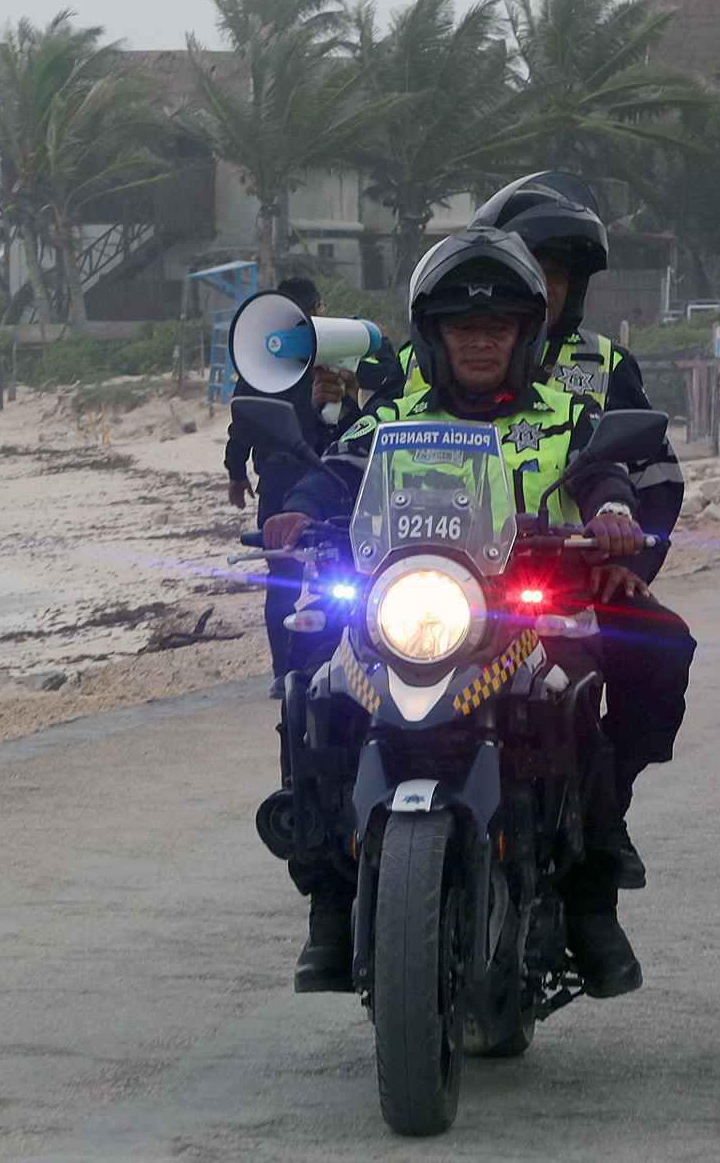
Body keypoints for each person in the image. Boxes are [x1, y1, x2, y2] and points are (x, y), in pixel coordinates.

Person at [263, 226, 691, 998]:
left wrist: (617, 511)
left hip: (530, 610)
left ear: (527, 334)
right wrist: (299, 509)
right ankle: (328, 897)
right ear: (435, 335)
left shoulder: (569, 411)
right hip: (411, 606)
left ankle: (592, 889)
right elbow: (339, 470)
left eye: (498, 327)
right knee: (315, 687)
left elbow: (603, 474)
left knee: (579, 703)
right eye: (464, 326)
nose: (482, 341)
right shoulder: (398, 411)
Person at [384, 172, 694, 884]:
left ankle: (601, 808)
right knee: (319, 656)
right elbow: (355, 451)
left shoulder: (601, 368)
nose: (541, 288)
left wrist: (627, 553)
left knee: (656, 643)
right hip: (429, 581)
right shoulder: (410, 372)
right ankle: (327, 856)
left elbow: (648, 474)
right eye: (532, 268)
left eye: (557, 276)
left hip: (559, 578)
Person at [224, 277, 406, 698]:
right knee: (316, 575)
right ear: (319, 309)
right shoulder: (265, 353)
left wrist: (236, 472)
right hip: (308, 479)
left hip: (325, 476)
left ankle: (308, 665)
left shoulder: (278, 351)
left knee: (300, 581)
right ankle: (292, 673)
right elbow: (244, 418)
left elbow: (240, 424)